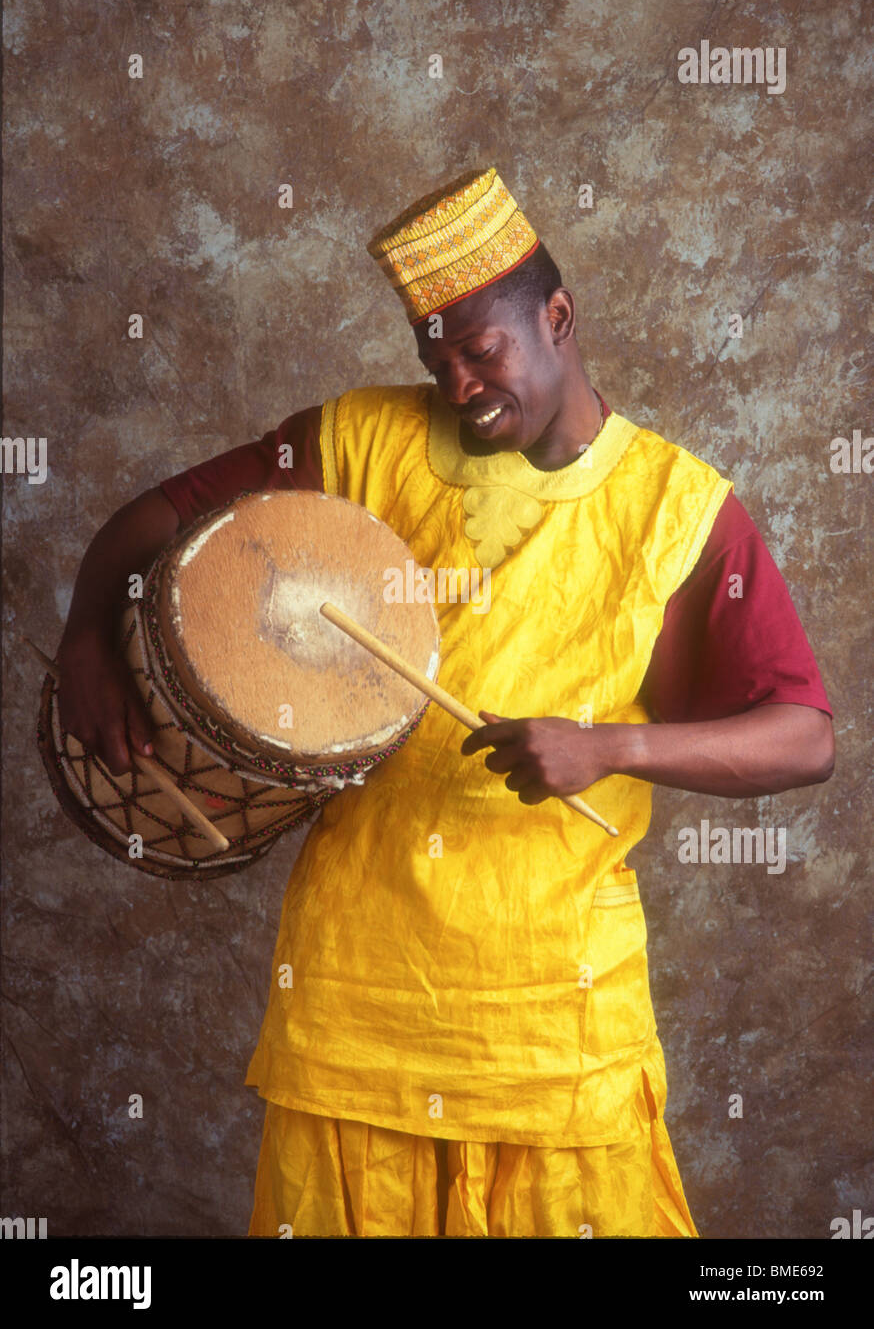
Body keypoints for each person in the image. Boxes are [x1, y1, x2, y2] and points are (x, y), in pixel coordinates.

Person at [57, 167, 834, 1238]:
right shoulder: (355, 441)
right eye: (436, 356)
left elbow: (804, 736)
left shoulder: (680, 509)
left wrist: (610, 745)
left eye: (481, 349)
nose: (458, 383)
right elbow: (157, 518)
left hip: (553, 1026)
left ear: (556, 318)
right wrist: (86, 638)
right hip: (354, 1009)